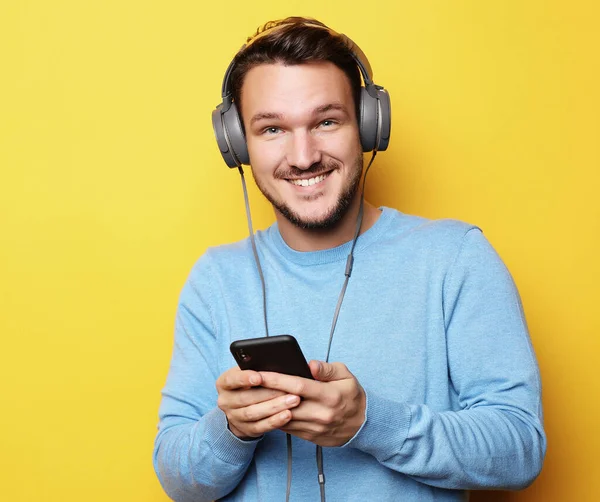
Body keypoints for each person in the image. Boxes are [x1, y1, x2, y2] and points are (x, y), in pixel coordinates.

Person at [153, 17, 546, 502]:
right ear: (237, 144)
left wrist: (369, 422)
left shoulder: (455, 258)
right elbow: (177, 480)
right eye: (272, 128)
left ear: (367, 124)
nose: (303, 156)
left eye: (326, 121)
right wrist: (232, 429)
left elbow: (520, 449)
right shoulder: (215, 279)